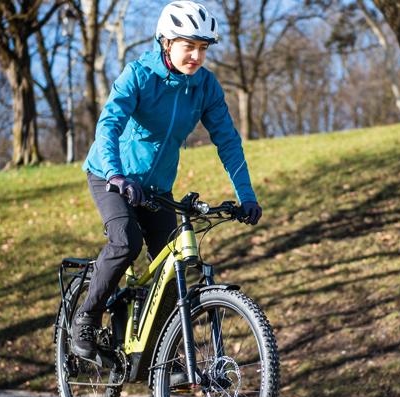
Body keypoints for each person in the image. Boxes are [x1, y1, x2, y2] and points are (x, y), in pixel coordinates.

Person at [74, 1, 262, 358]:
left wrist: (246, 195)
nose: (196, 55)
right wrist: (115, 173)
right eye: (188, 45)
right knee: (126, 242)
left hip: (157, 188)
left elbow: (229, 142)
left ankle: (165, 358)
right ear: (166, 42)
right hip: (110, 175)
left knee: (170, 266)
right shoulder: (138, 75)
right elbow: (109, 124)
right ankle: (86, 317)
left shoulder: (205, 87)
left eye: (203, 48)